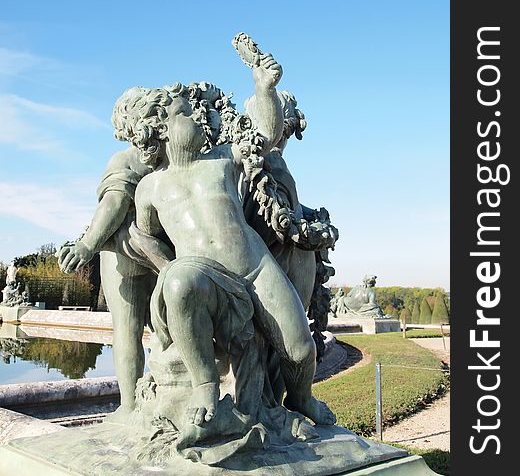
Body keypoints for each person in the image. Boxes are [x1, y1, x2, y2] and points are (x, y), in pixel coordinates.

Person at [120, 52, 336, 430]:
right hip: (205, 278)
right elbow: (144, 236)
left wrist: (264, 89)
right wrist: (167, 268)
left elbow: (265, 137)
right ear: (159, 130)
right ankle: (206, 385)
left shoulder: (220, 160)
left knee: (300, 349)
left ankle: (301, 398)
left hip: (254, 267)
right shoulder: (151, 189)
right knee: (179, 282)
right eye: (187, 113)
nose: (198, 118)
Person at [57, 126, 156, 418]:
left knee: (128, 331)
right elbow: (114, 202)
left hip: (127, 258)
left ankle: (131, 407)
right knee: (152, 332)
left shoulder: (129, 160)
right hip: (146, 257)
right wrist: (86, 246)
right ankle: (138, 403)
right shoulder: (158, 162)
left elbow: (114, 202)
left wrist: (87, 245)